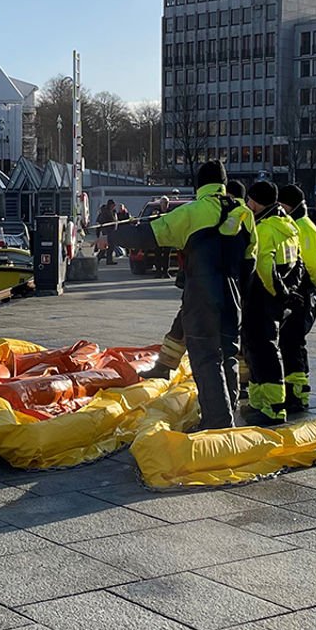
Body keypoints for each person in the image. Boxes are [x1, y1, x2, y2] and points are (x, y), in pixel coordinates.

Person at [111, 160, 249, 429]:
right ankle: (228, 412)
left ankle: (218, 422)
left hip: (202, 294)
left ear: (199, 184)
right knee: (228, 354)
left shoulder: (193, 212)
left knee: (206, 358)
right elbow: (250, 260)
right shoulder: (243, 214)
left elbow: (148, 235)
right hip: (233, 294)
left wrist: (113, 237)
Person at [240, 180, 302, 425]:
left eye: (249, 201)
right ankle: (259, 403)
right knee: (259, 351)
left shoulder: (264, 229)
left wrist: (276, 292)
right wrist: (288, 291)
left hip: (262, 298)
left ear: (254, 201)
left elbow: (264, 267)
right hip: (278, 298)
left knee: (263, 351)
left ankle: (274, 407)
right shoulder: (288, 224)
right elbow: (299, 263)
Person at [277, 184, 316, 413]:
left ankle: (297, 394)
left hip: (301, 292)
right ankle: (293, 390)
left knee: (293, 343)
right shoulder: (296, 224)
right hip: (298, 291)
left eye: (282, 203)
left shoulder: (302, 227)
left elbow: (315, 263)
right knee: (289, 343)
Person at [97, 199, 117, 264]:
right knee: (106, 246)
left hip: (110, 231)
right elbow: (110, 220)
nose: (114, 207)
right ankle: (97, 259)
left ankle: (109, 260)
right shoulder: (106, 212)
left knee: (110, 246)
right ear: (110, 205)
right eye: (113, 205)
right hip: (107, 231)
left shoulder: (111, 211)